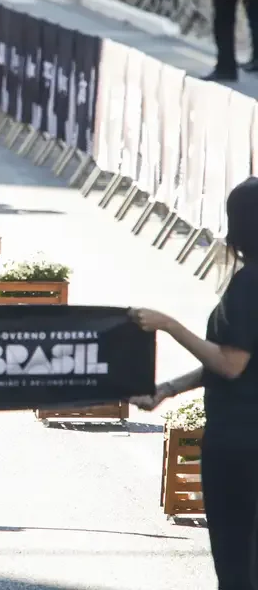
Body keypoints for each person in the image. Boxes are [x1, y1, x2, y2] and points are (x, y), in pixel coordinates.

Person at [129, 176, 258, 590]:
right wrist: (170, 388)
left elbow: (230, 364)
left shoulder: (249, 285)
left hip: (241, 445)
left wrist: (169, 326)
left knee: (237, 557)